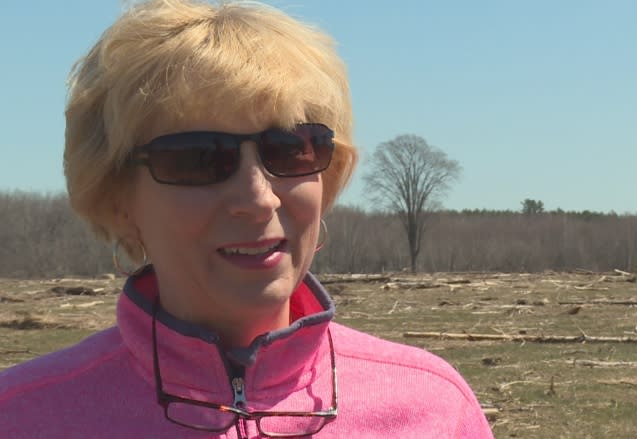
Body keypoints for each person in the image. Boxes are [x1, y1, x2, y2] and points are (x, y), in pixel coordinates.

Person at [0, 1, 494, 437]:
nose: (259, 198)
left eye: (292, 149)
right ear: (117, 200)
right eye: (198, 158)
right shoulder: (21, 416)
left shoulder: (433, 410)